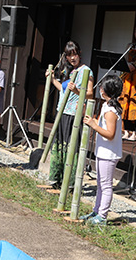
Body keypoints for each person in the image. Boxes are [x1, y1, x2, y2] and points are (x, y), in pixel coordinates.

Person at [46, 40, 94, 187]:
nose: (72, 58)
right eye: (69, 55)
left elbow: (90, 94)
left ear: (79, 54)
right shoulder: (68, 71)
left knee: (71, 147)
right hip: (62, 111)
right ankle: (58, 179)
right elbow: (62, 89)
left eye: (75, 55)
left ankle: (70, 183)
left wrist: (77, 91)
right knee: (60, 145)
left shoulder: (86, 71)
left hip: (74, 113)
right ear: (66, 57)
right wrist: (52, 78)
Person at [81, 74, 123, 225]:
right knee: (100, 184)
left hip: (109, 153)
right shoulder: (107, 105)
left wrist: (94, 125)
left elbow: (110, 134)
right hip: (103, 151)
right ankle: (97, 210)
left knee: (105, 185)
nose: (99, 88)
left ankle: (102, 216)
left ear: (106, 90)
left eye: (102, 86)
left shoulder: (111, 110)